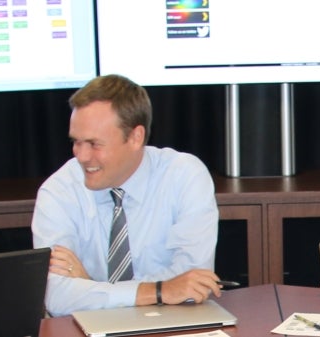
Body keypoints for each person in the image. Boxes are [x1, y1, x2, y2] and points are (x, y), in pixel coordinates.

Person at [32, 74, 222, 317]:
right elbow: (56, 297)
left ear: (135, 137)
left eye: (94, 144)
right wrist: (160, 291)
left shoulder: (184, 176)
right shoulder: (58, 192)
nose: (81, 156)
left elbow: (193, 283)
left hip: (170, 326)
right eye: (76, 142)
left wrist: (91, 287)